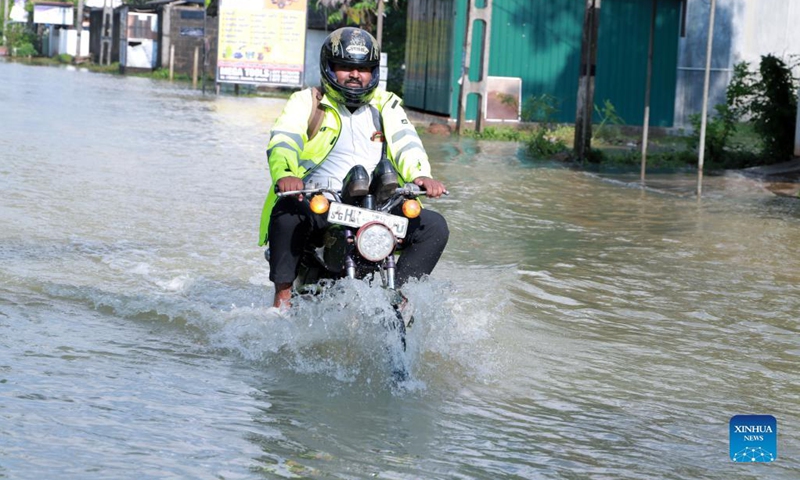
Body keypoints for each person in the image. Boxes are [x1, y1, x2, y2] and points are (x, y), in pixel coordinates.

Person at [259, 27, 449, 309]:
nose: (355, 75)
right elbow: (284, 138)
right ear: (329, 68)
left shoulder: (387, 105)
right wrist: (287, 174)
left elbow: (406, 141)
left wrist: (420, 175)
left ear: (374, 72)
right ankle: (282, 298)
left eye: (363, 69)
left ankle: (400, 298)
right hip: (321, 201)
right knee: (288, 213)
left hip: (376, 206)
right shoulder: (307, 102)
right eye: (345, 67)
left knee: (434, 226)